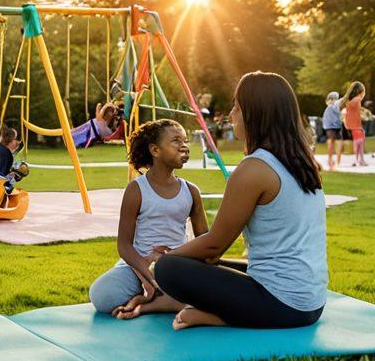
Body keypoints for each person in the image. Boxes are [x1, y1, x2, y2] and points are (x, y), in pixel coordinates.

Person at [122, 72, 327, 330]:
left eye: (237, 108)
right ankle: (201, 307)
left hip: (283, 306)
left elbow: (213, 247)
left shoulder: (254, 169)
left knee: (169, 269)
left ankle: (218, 316)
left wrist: (163, 258)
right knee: (210, 265)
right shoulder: (303, 163)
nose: (231, 115)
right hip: (312, 303)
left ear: (255, 114)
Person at [89, 119, 207, 316]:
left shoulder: (191, 191)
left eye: (185, 140)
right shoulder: (136, 189)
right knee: (102, 295)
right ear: (155, 150)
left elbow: (205, 240)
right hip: (138, 265)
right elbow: (124, 245)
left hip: (176, 265)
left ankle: (151, 297)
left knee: (210, 286)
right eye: (176, 141)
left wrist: (176, 257)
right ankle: (155, 292)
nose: (184, 146)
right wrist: (148, 273)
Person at [0, 125, 30, 198]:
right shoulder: (8, 154)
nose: (17, 142)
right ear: (10, 141)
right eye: (15, 140)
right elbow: (6, 172)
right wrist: (17, 173)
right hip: (0, 181)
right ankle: (8, 191)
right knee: (17, 174)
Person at [341, 82, 367, 167]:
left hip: (354, 123)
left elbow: (352, 110)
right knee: (359, 141)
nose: (364, 93)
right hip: (355, 124)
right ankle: (357, 160)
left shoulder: (351, 100)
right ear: (360, 91)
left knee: (360, 140)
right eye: (364, 91)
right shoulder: (357, 99)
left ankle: (360, 159)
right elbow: (354, 111)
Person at [321, 91, 343, 170]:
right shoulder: (332, 107)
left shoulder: (331, 107)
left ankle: (335, 161)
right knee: (333, 142)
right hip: (332, 126)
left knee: (335, 142)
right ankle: (332, 161)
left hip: (333, 126)